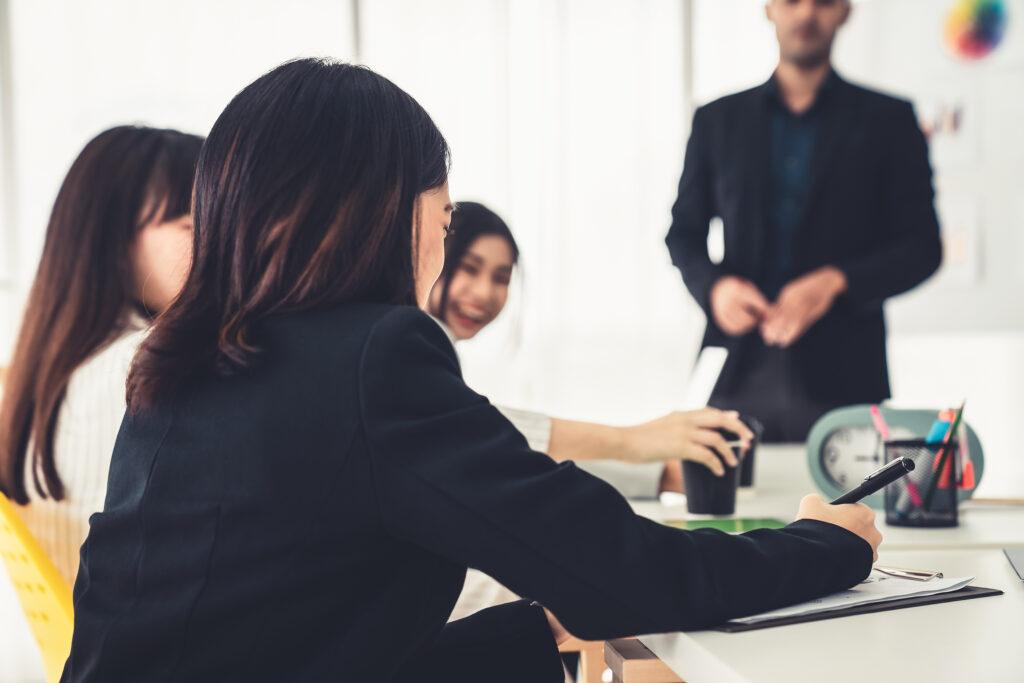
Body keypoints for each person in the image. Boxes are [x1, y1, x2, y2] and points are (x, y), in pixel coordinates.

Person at [63, 59, 880, 683]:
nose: (442, 256)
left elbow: (290, 648)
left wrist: (536, 628)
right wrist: (827, 543)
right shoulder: (372, 353)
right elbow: (631, 569)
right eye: (444, 222)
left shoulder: (183, 366)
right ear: (383, 216)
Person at [429, 201, 752, 622]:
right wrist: (638, 441)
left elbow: (515, 449)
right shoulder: (413, 344)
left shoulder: (432, 351)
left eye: (501, 278)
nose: (485, 292)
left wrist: (657, 470)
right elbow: (495, 434)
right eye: (469, 269)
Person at [665, 0, 942, 442]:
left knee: (845, 507)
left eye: (824, 2)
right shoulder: (717, 121)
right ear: (769, 9)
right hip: (737, 368)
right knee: (727, 508)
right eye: (792, 1)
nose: (807, 14)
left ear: (845, 12)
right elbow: (683, 233)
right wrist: (716, 289)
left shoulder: (889, 121)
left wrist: (837, 281)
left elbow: (923, 247)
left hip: (846, 369)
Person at [0, 126, 202, 585]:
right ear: (115, 239)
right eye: (193, 226)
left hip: (66, 650)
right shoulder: (141, 365)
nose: (221, 249)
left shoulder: (51, 371)